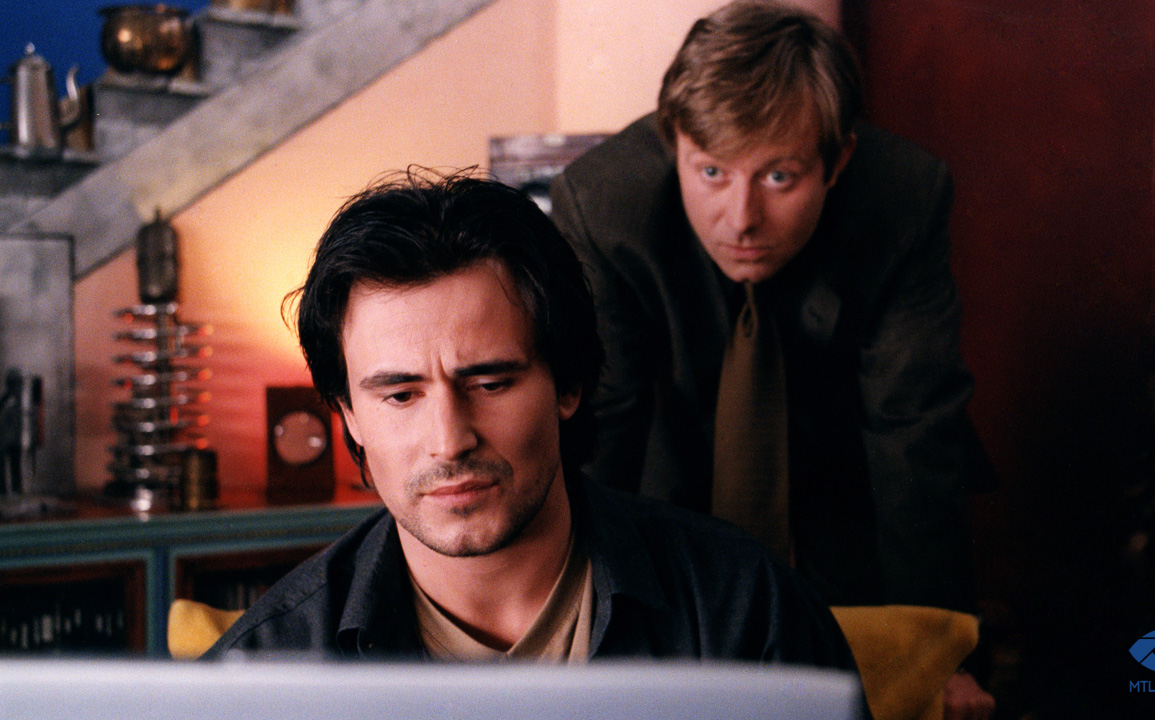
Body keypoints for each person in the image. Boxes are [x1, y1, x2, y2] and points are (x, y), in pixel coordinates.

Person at [204, 170, 853, 670]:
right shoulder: (262, 671)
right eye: (400, 396)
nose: (450, 440)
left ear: (567, 383)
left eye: (490, 383)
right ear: (349, 416)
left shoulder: (746, 614)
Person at [549, 0, 994, 715]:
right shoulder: (603, 205)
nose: (742, 219)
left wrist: (939, 648)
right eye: (712, 172)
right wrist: (568, 635)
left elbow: (913, 428)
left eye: (779, 177)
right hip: (666, 507)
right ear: (674, 142)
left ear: (837, 161)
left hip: (848, 515)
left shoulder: (902, 198)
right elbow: (603, 426)